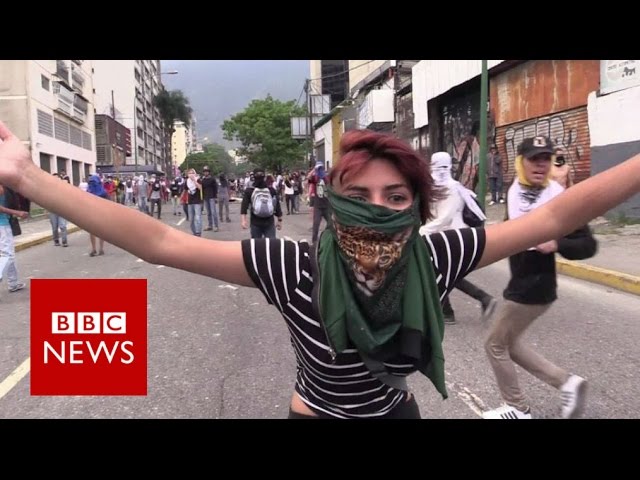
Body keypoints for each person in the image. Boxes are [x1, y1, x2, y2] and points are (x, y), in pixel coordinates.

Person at [1, 121, 639, 418]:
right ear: (332, 203)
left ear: (418, 209)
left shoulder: (433, 257)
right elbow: (161, 241)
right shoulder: (292, 265)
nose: (378, 210)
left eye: (396, 197)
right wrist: (28, 178)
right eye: (359, 196)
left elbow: (557, 216)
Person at [482, 136, 598, 420]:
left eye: (546, 158)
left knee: (494, 345)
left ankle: (517, 407)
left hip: (534, 287)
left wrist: (557, 243)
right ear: (521, 162)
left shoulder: (559, 197)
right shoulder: (516, 190)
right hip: (520, 282)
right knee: (510, 345)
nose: (541, 165)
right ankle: (567, 383)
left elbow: (587, 244)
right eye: (534, 159)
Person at [420, 152, 497, 325]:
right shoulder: (435, 186)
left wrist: (422, 231)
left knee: (440, 273)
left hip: (451, 237)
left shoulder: (452, 188)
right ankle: (470, 303)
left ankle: (450, 311)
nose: (439, 171)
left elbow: (445, 217)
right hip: (440, 236)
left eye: (442, 166)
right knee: (441, 273)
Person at [0, 181, 28, 297]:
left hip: (4, 224)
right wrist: (17, 212)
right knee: (8, 255)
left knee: (8, 254)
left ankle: (13, 283)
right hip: (2, 225)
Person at [240, 168, 282, 239]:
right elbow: (277, 206)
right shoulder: (271, 190)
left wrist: (243, 221)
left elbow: (244, 206)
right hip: (269, 222)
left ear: (254, 177)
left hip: (255, 222)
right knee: (271, 243)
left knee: (256, 244)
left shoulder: (249, 191)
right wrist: (279, 220)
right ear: (264, 177)